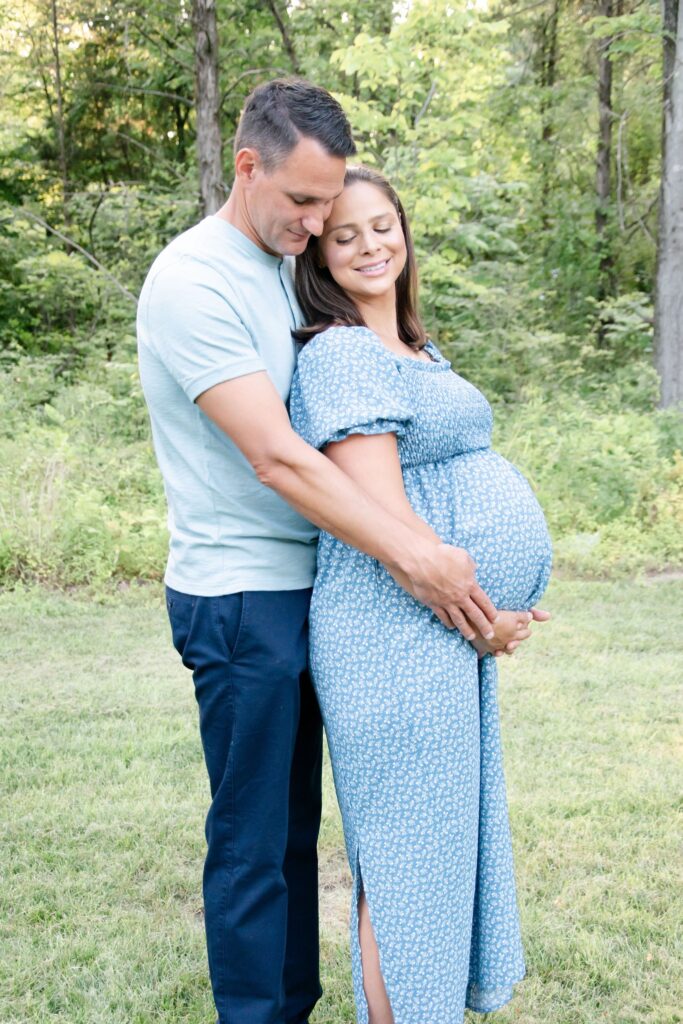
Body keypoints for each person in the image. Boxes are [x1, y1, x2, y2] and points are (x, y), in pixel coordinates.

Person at [137, 80, 536, 1024]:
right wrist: (425, 563)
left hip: (325, 586)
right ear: (247, 167)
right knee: (258, 841)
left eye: (332, 207)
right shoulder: (192, 280)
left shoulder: (287, 260)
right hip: (244, 592)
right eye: (304, 203)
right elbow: (278, 457)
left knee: (340, 833)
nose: (319, 224)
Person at [289, 164, 553, 1024]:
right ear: (320, 257)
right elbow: (391, 527)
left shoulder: (410, 347)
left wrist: (487, 619)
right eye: (344, 234)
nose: (371, 245)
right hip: (390, 633)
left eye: (382, 225)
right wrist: (484, 622)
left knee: (438, 858)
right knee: (406, 866)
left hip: (435, 637)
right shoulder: (338, 353)